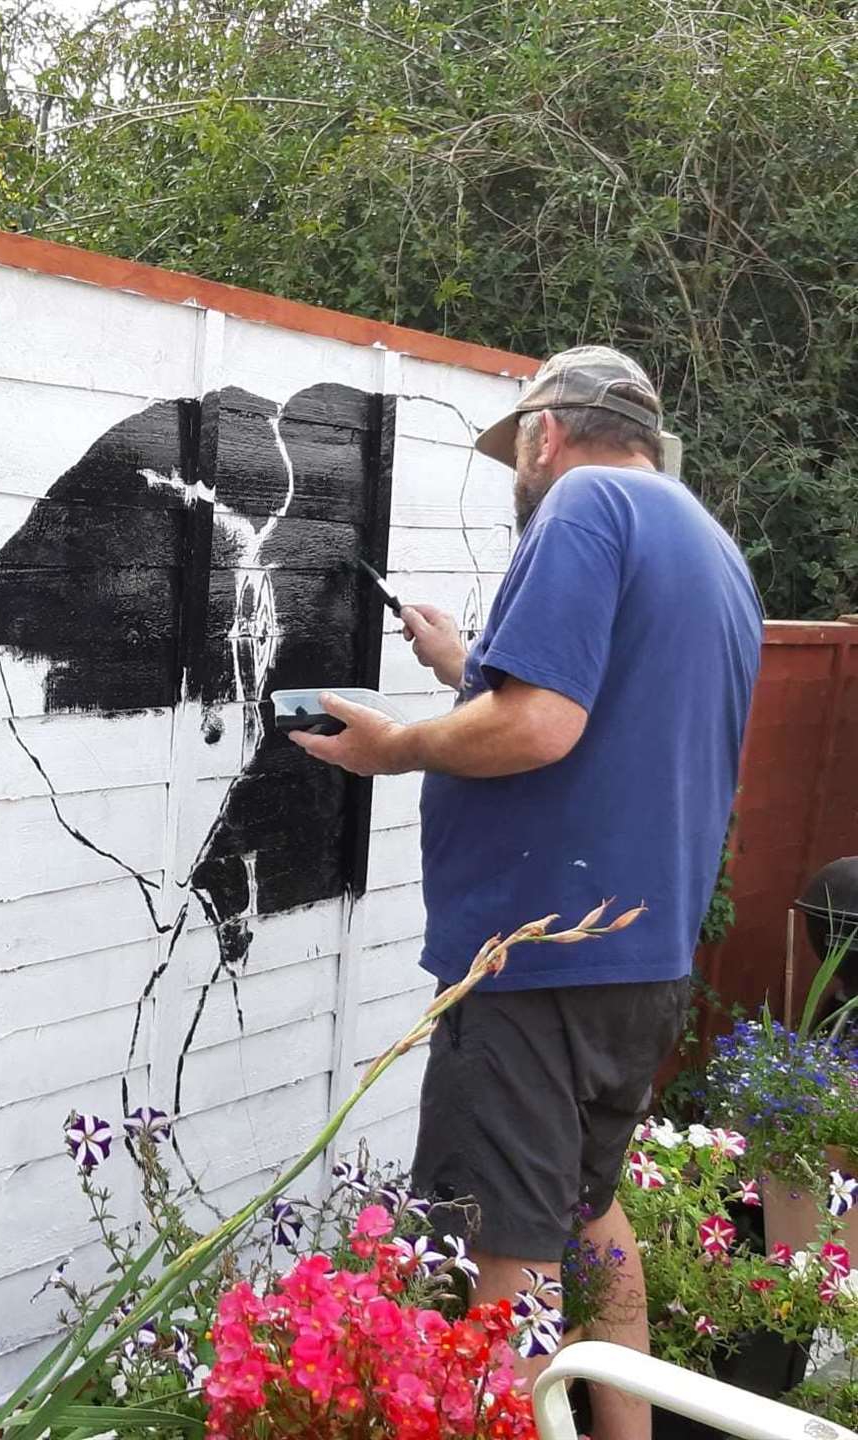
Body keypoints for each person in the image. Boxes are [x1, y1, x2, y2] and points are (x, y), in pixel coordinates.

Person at [289, 345, 763, 1440]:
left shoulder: (586, 503)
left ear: (548, 433)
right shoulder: (708, 545)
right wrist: (466, 667)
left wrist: (398, 742)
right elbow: (602, 718)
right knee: (591, 1211)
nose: (519, 475)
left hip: (536, 961)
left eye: (519, 453)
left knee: (504, 1259)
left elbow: (543, 726)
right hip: (638, 961)